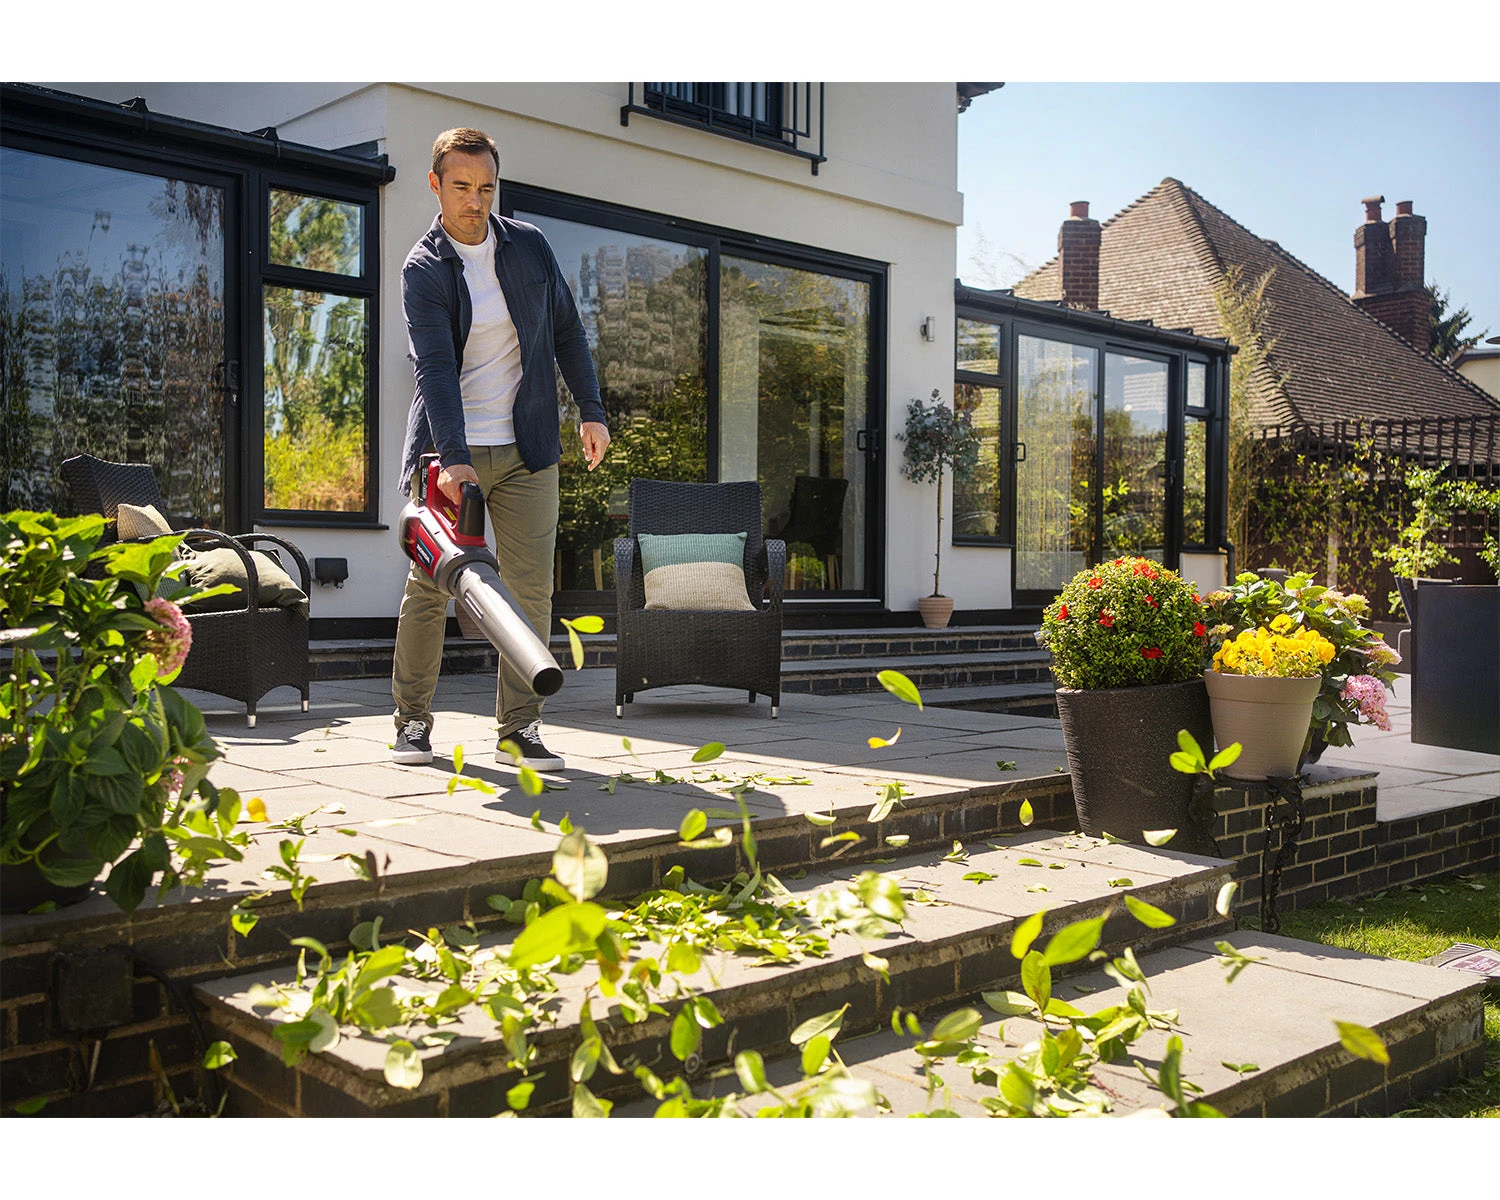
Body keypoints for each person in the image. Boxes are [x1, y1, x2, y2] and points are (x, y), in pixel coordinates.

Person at [391, 127, 609, 770]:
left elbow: (567, 331)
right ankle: (411, 721)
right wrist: (454, 458)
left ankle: (519, 728)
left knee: (531, 592)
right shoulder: (423, 269)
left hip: (526, 450)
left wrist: (591, 411)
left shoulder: (530, 247)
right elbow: (433, 368)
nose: (475, 201)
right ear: (435, 185)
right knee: (431, 588)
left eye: (486, 188)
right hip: (447, 455)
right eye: (461, 187)